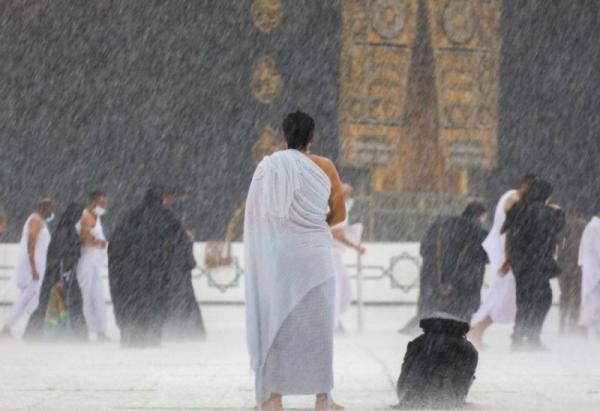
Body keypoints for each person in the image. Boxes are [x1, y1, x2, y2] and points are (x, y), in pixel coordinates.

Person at [245, 110, 346, 411]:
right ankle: (322, 398)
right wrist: (313, 222)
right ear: (312, 138)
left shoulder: (269, 168)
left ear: (284, 136)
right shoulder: (325, 166)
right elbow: (339, 215)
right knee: (319, 331)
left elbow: (260, 217)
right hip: (316, 256)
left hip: (282, 258)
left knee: (279, 325)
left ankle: (274, 398)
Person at [108, 186, 183, 347]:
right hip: (155, 272)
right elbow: (176, 241)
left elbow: (115, 245)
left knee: (132, 306)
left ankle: (131, 338)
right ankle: (152, 337)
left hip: (129, 273)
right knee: (155, 304)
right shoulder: (165, 217)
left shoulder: (130, 217)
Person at [468, 174, 537, 348]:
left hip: (507, 254)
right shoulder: (514, 200)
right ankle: (476, 331)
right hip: (507, 255)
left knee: (501, 296)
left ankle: (476, 331)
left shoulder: (510, 196)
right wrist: (508, 260)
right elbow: (510, 231)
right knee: (504, 297)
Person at [502, 178, 565, 350]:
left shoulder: (518, 208)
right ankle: (531, 336)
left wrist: (509, 258)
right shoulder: (544, 212)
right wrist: (559, 212)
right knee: (543, 298)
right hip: (536, 261)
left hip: (520, 261)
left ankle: (518, 337)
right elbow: (557, 226)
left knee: (524, 298)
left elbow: (506, 230)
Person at [413, 202, 489, 323]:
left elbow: (424, 249)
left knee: (430, 313)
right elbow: (486, 255)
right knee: (459, 317)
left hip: (432, 281)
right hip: (462, 286)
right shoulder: (477, 231)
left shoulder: (441, 225)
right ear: (481, 215)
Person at [24, 203, 87, 340]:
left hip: (64, 276)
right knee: (68, 304)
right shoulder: (65, 232)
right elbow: (58, 257)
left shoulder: (68, 231)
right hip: (60, 277)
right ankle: (80, 336)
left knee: (51, 304)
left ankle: (32, 333)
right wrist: (59, 278)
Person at [395, 313, 478, 409]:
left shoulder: (418, 342)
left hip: (409, 397)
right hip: (448, 401)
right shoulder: (468, 349)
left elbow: (405, 371)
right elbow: (464, 380)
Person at [1, 198, 54, 337]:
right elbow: (31, 243)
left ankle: (12, 326)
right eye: (51, 208)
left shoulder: (40, 221)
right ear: (45, 208)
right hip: (32, 266)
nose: (52, 212)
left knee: (28, 297)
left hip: (36, 265)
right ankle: (7, 327)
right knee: (27, 297)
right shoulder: (36, 220)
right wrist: (33, 267)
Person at [162, 187, 206, 340]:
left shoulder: (167, 217)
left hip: (172, 266)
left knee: (176, 298)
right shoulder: (176, 219)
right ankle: (188, 329)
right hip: (179, 266)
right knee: (184, 298)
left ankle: (177, 327)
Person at [76, 191, 110, 341]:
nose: (104, 206)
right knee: (87, 297)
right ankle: (86, 329)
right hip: (87, 263)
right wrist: (99, 242)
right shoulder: (87, 217)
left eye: (105, 203)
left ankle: (100, 330)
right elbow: (84, 238)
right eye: (101, 203)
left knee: (97, 297)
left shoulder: (96, 217)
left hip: (95, 264)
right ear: (93, 202)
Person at [331, 183, 364, 330]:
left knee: (344, 292)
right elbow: (337, 234)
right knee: (336, 292)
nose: (350, 198)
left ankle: (334, 321)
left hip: (335, 256)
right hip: (330, 256)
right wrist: (355, 247)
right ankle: (332, 325)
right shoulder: (337, 209)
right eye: (347, 194)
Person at [557, 210, 587, 334]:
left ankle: (562, 322)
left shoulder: (564, 226)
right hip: (578, 265)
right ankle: (572, 323)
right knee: (576, 295)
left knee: (564, 295)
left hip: (565, 265)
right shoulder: (585, 226)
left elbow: (560, 247)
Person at [577, 204, 600, 335]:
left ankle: (592, 329)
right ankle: (582, 328)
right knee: (594, 301)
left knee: (593, 302)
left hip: (591, 269)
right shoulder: (595, 227)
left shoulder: (592, 226)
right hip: (595, 271)